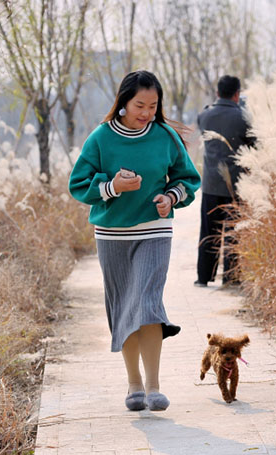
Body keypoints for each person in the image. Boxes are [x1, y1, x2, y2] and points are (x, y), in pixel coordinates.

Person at [68, 70, 201, 412]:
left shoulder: (165, 136)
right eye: (140, 105)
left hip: (154, 230)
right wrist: (113, 186)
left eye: (153, 106)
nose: (147, 112)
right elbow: (78, 185)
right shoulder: (100, 138)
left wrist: (170, 197)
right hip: (111, 234)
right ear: (123, 103)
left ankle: (155, 386)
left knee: (148, 301)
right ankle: (134, 385)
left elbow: (188, 178)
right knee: (125, 304)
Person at [195, 74, 255, 287]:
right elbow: (254, 145)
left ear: (218, 93)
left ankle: (204, 277)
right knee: (233, 232)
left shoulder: (204, 115)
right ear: (237, 94)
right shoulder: (244, 117)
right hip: (236, 186)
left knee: (208, 231)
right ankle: (231, 277)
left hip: (211, 184)